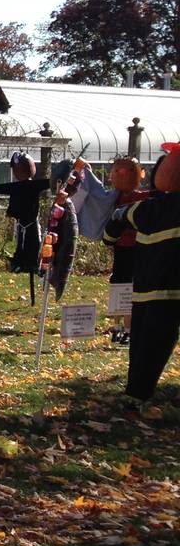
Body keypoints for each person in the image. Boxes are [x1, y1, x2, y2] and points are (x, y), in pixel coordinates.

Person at [107, 142, 180, 399]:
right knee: (157, 343)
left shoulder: (145, 208)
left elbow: (114, 223)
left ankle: (135, 393)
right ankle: (138, 395)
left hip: (144, 290)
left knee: (142, 345)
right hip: (169, 293)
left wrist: (111, 235)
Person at [70, 156, 150, 344]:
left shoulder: (115, 197)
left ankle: (119, 328)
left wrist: (85, 171)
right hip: (133, 249)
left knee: (120, 286)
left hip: (125, 248)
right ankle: (125, 329)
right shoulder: (139, 198)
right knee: (128, 288)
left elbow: (96, 192)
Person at [0, 152, 50, 279]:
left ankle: (32, 264)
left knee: (33, 242)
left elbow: (50, 182)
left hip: (31, 222)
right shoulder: (18, 187)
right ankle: (20, 262)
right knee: (20, 242)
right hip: (21, 221)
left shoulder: (34, 185)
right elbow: (4, 188)